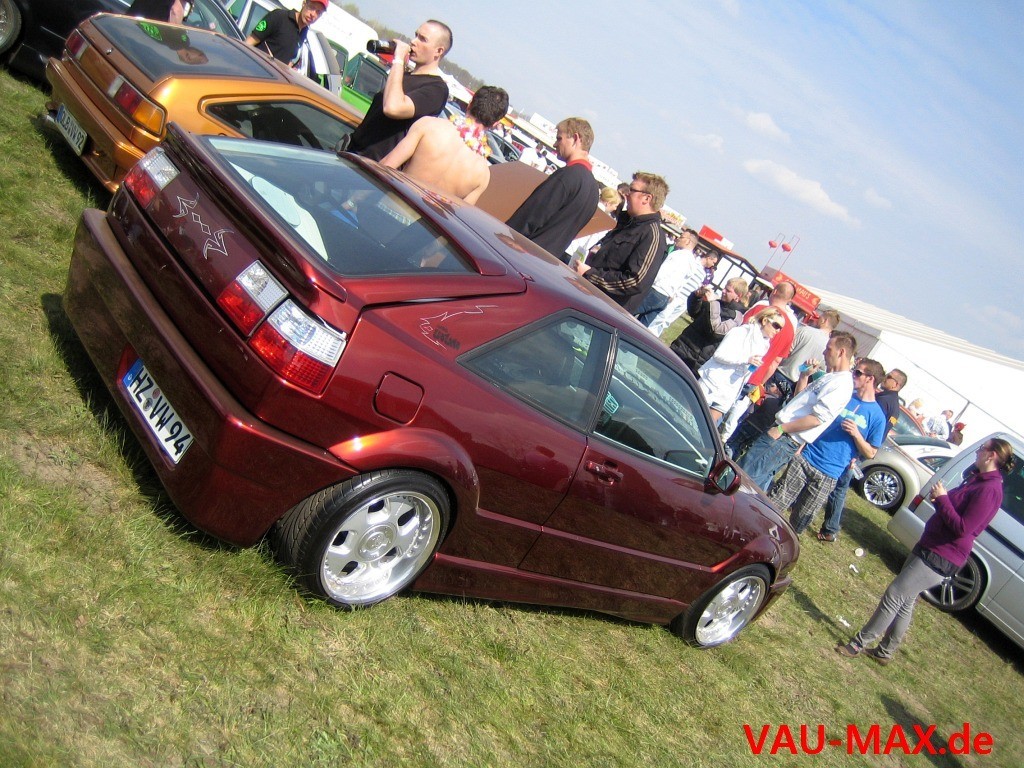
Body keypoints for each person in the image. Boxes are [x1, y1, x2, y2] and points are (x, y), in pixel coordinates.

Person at [836, 438, 1016, 665]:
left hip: (943, 555)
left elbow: (964, 528)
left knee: (895, 594)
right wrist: (941, 499)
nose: (978, 452)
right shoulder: (977, 479)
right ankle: (885, 652)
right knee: (906, 599)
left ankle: (858, 644)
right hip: (931, 544)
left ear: (991, 456)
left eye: (982, 449)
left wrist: (942, 499)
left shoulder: (989, 490)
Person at [770, 359, 887, 535]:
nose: (853, 375)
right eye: (854, 370)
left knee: (799, 522)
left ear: (870, 379)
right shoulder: (845, 396)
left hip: (830, 473)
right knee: (776, 503)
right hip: (807, 458)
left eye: (858, 373)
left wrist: (856, 434)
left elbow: (871, 453)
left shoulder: (877, 416)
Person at [737, 331, 857, 491]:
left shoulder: (842, 384)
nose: (824, 352)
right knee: (749, 480)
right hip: (781, 434)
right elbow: (798, 400)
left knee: (743, 479)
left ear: (841, 352)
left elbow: (816, 419)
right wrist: (804, 376)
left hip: (785, 438)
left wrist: (781, 429)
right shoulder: (830, 377)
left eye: (829, 349)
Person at [380, 86, 509, 205]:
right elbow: (460, 216)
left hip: (389, 206)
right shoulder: (483, 174)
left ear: (470, 104)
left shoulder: (428, 126)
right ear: (495, 123)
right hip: (420, 223)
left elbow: (385, 166)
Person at [819, 367, 907, 540]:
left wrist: (858, 453)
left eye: (889, 377)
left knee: (839, 487)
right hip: (862, 448)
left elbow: (870, 427)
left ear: (896, 384)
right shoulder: (895, 406)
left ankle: (830, 529)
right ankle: (830, 528)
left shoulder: (883, 401)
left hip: (856, 448)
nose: (885, 378)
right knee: (840, 488)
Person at [344, 20, 453, 161]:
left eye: (423, 39)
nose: (413, 41)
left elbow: (393, 108)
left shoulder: (436, 89)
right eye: (416, 35)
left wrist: (398, 59)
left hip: (373, 166)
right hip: (352, 154)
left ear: (438, 51)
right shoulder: (403, 75)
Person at [574, 172, 668, 313]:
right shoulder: (628, 223)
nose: (627, 195)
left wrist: (590, 274)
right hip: (587, 295)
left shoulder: (652, 235)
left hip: (604, 310)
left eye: (632, 190)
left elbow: (635, 281)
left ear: (647, 198)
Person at [505, 118, 599, 257]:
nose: (555, 144)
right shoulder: (594, 190)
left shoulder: (567, 176)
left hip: (521, 254)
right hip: (546, 261)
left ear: (575, 139)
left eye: (559, 138)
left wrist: (504, 236)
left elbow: (531, 216)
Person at [718, 282, 797, 440]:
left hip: (735, 366)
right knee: (733, 412)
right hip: (756, 377)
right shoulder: (790, 328)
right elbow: (775, 362)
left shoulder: (761, 309)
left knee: (717, 405)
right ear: (789, 300)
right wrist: (761, 382)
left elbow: (738, 331)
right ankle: (721, 439)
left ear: (774, 291)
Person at [697, 308, 784, 423]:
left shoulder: (764, 345)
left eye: (780, 328)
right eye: (776, 326)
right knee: (688, 417)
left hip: (729, 391)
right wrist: (746, 359)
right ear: (765, 321)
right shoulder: (741, 332)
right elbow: (719, 355)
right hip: (712, 383)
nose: (778, 330)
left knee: (705, 426)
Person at [633, 231, 710, 331]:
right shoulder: (692, 263)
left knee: (626, 313)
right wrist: (674, 294)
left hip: (656, 290)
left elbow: (661, 273)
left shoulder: (678, 255)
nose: (678, 238)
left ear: (688, 241)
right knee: (641, 328)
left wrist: (646, 284)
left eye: (681, 237)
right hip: (665, 298)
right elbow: (683, 282)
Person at [670, 277, 750, 372]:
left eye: (728, 291)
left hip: (695, 360)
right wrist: (696, 297)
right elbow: (694, 313)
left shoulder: (737, 317)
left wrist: (712, 303)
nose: (723, 291)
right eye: (724, 288)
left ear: (738, 296)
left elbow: (716, 331)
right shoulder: (717, 303)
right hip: (681, 347)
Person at [770, 309, 839, 402]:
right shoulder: (830, 347)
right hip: (798, 387)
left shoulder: (804, 330)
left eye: (820, 317)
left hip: (780, 375)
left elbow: (786, 351)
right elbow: (822, 371)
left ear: (824, 320)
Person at [246, 0, 326, 70]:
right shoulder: (279, 17)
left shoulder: (304, 32)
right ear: (304, 4)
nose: (313, 14)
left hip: (273, 80)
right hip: (253, 72)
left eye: (318, 12)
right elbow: (248, 44)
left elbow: (286, 57)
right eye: (312, 7)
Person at [565, 186, 622, 265]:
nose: (615, 209)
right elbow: (592, 241)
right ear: (608, 203)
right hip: (574, 251)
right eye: (615, 205)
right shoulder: (604, 219)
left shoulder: (588, 205)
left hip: (565, 243)